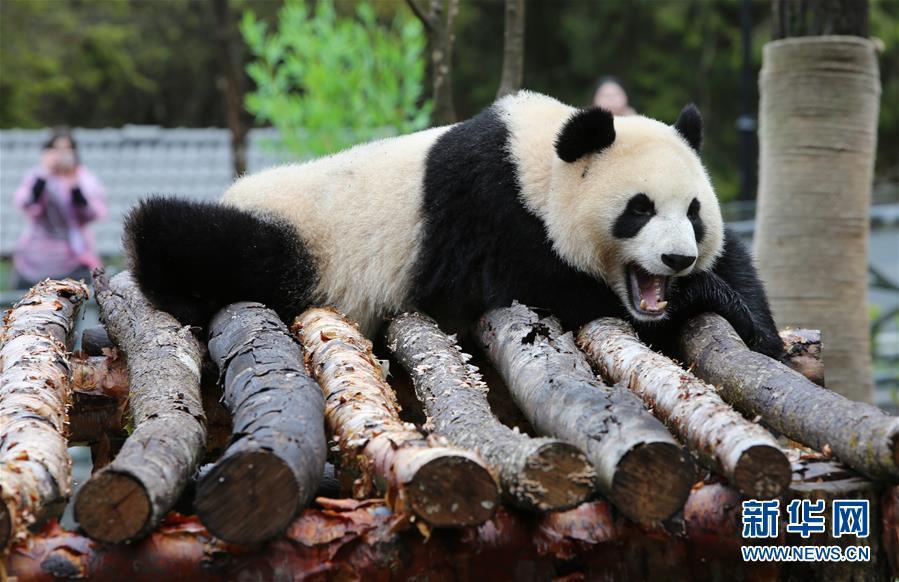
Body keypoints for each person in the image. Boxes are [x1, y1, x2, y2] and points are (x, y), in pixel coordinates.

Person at [12, 128, 107, 289]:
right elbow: (27, 203)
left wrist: (74, 186)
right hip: (36, 259)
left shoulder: (85, 179)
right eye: (57, 149)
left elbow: (93, 212)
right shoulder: (38, 176)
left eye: (66, 150)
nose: (61, 155)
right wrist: (45, 174)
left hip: (75, 258)